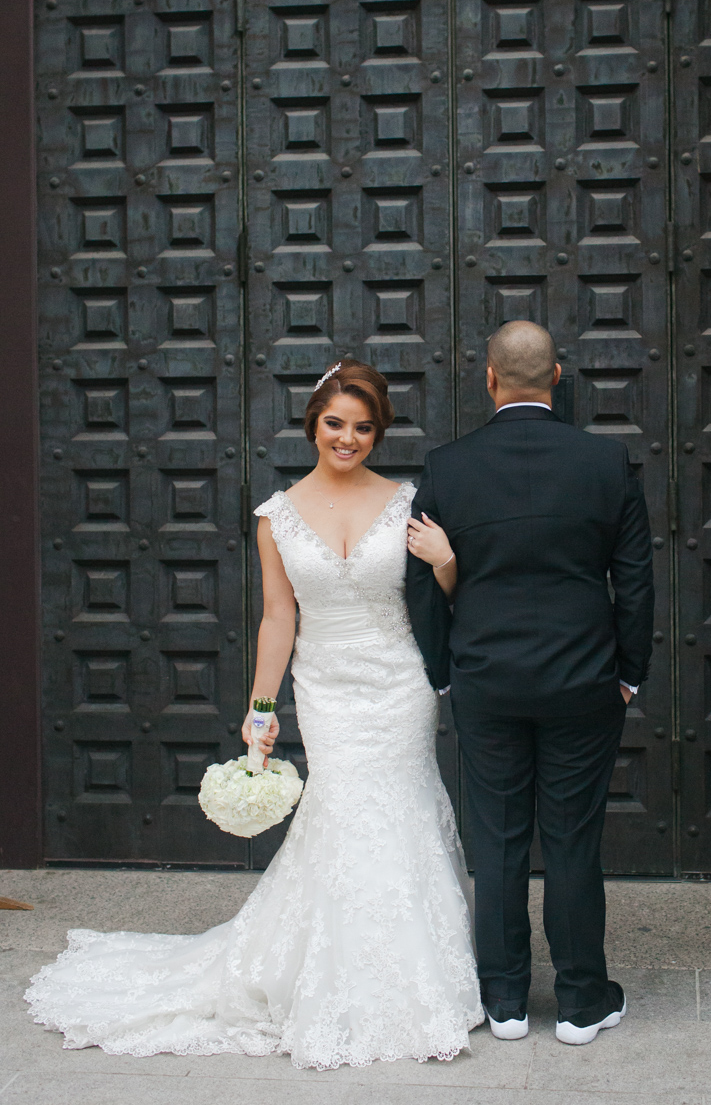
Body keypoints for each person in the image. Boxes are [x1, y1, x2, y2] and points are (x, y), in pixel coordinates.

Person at [26, 360, 483, 1068]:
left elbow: (444, 597)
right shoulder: (278, 515)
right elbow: (278, 617)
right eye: (335, 424)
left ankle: (415, 975)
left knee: (404, 809)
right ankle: (327, 975)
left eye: (363, 427)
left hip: (399, 684)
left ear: (379, 432)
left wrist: (448, 560)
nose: (348, 438)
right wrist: (261, 708)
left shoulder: (409, 503)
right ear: (313, 425)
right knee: (342, 809)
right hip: (326, 687)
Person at [406, 321, 654, 1046]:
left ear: (489, 378)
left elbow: (422, 584)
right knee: (574, 841)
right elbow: (634, 585)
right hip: (585, 683)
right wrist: (630, 675)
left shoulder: (447, 468)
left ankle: (506, 1001)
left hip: (486, 682)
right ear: (557, 377)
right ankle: (581, 1002)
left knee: (500, 840)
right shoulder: (606, 463)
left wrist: (445, 672)